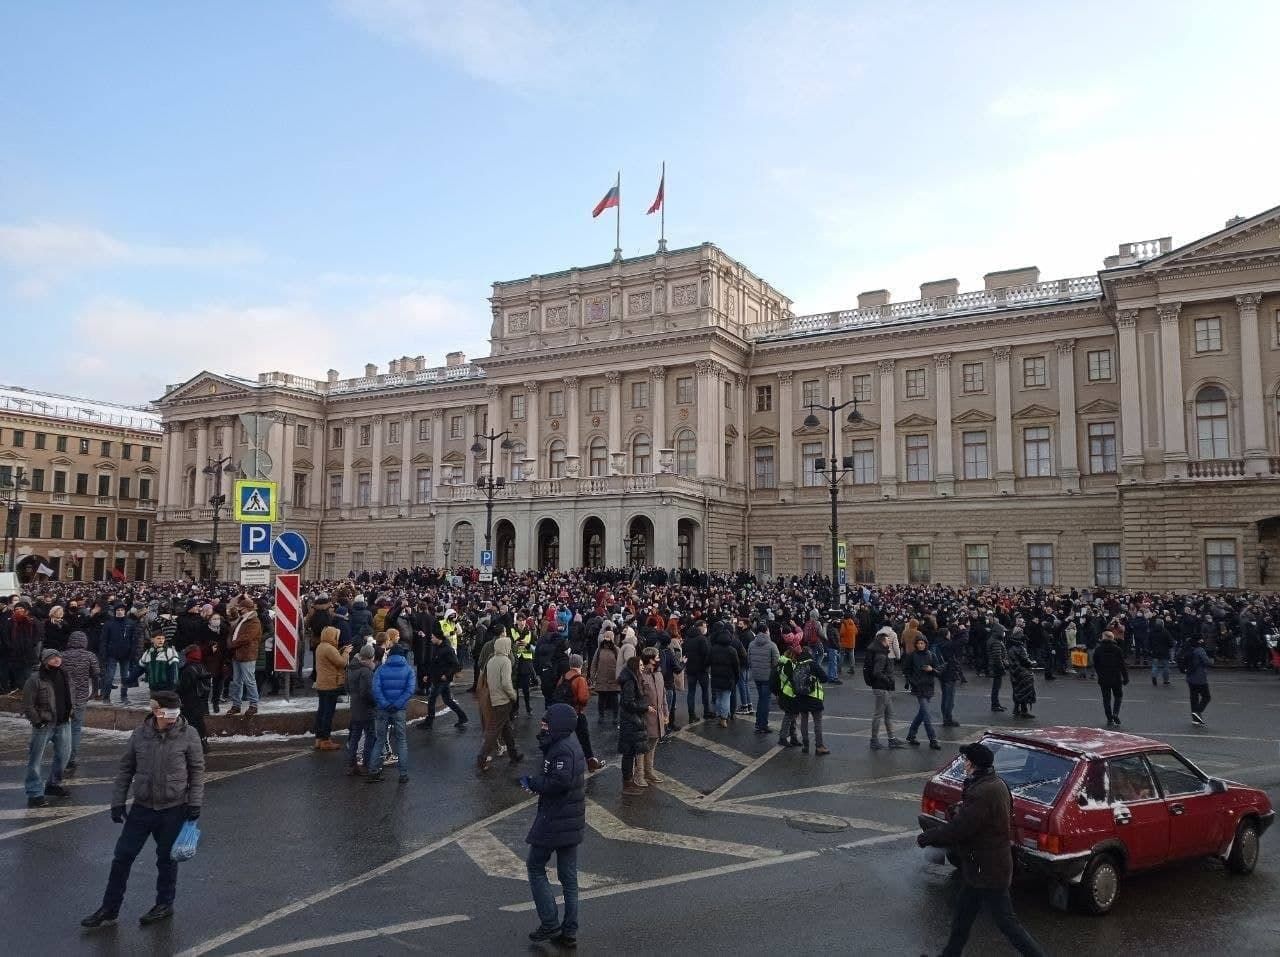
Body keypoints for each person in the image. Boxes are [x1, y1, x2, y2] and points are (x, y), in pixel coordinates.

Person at [81, 691, 206, 929]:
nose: (172, 717)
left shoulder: (188, 735)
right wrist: (117, 802)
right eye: (168, 712)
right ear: (155, 710)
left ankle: (164, 904)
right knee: (122, 857)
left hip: (173, 808)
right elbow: (126, 769)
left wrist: (195, 803)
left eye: (176, 712)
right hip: (142, 808)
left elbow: (198, 771)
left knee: (167, 859)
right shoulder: (140, 735)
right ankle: (110, 907)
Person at [916, 742, 1047, 957]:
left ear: (974, 764)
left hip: (988, 870)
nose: (963, 764)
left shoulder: (984, 791)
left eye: (966, 760)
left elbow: (962, 829)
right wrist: (960, 809)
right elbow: (981, 817)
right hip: (981, 867)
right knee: (963, 915)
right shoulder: (994, 783)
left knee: (1007, 923)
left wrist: (928, 837)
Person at [521, 703, 586, 948]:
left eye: (547, 722)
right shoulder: (567, 742)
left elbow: (559, 783)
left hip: (557, 819)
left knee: (535, 866)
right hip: (570, 819)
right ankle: (568, 931)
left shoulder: (562, 750)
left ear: (559, 724)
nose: (543, 725)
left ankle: (550, 922)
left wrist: (533, 783)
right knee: (568, 877)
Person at [23, 648, 74, 808]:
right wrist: (37, 720)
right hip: (44, 724)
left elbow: (69, 695)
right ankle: (34, 793)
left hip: (64, 722)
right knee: (35, 759)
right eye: (52, 657)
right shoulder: (35, 679)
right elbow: (28, 704)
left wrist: (72, 711)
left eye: (58, 656)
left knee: (64, 756)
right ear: (45, 660)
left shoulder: (64, 674)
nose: (57, 659)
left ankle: (53, 784)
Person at [367, 644, 415, 783]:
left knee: (380, 739)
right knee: (401, 740)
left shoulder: (381, 669)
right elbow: (410, 689)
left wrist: (385, 704)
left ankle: (373, 771)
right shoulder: (409, 670)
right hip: (399, 710)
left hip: (383, 709)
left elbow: (376, 689)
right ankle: (403, 774)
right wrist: (398, 704)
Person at [56, 630, 101, 777]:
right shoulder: (90, 656)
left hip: (63, 698)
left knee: (62, 728)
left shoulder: (61, 656)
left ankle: (62, 756)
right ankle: (71, 758)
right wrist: (94, 692)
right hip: (81, 698)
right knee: (76, 728)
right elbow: (96, 675)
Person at [478, 635, 522, 773]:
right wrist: (513, 695)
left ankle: (513, 754)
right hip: (503, 700)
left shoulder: (491, 660)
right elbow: (506, 683)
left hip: (493, 698)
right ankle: (482, 757)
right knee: (494, 731)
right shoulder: (506, 661)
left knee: (506, 728)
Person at [554, 653, 604, 772]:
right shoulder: (579, 679)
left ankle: (558, 762)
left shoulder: (564, 676)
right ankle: (591, 762)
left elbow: (557, 689)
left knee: (563, 739)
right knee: (584, 739)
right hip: (577, 713)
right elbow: (582, 698)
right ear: (580, 664)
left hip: (564, 712)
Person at [864, 627, 903, 750]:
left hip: (882, 687)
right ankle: (874, 740)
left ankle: (891, 739)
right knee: (879, 714)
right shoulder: (881, 655)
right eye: (887, 640)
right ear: (882, 641)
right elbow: (877, 672)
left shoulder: (879, 651)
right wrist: (888, 679)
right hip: (881, 687)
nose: (889, 642)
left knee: (889, 713)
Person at [618, 655, 652, 796]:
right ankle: (627, 783)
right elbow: (629, 703)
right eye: (640, 665)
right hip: (630, 722)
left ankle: (629, 782)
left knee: (630, 753)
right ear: (634, 667)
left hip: (630, 720)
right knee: (628, 753)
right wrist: (644, 708)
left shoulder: (631, 679)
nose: (642, 667)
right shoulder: (630, 682)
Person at [313, 625, 350, 750]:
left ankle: (319, 738)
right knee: (328, 713)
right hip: (330, 685)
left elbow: (332, 660)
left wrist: (339, 652)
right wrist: (346, 652)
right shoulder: (329, 648)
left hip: (322, 684)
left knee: (322, 711)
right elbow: (342, 663)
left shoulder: (321, 646)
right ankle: (325, 740)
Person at [423, 631, 468, 729]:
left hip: (442, 680)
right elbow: (434, 664)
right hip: (437, 678)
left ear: (439, 638)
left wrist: (447, 675)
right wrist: (428, 676)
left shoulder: (447, 649)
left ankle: (429, 722)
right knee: (447, 700)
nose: (431, 639)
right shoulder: (437, 648)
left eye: (433, 637)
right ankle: (462, 716)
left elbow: (456, 664)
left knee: (432, 698)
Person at [903, 635, 942, 750]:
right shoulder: (912, 656)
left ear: (926, 644)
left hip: (929, 687)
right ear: (916, 644)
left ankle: (911, 735)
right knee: (926, 714)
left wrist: (932, 670)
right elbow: (906, 670)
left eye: (922, 643)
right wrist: (912, 681)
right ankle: (933, 739)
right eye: (918, 643)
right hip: (918, 687)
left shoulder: (931, 655)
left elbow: (939, 671)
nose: (920, 645)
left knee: (922, 713)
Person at [226, 598, 263, 717]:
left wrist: (232, 643)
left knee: (249, 680)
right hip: (238, 654)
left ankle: (253, 704)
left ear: (245, 609)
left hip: (247, 655)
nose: (238, 610)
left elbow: (247, 637)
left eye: (240, 608)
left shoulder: (254, 621)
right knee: (237, 681)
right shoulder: (242, 619)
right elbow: (234, 632)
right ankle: (236, 704)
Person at [345, 644, 377, 774]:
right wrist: (376, 703)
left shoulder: (351, 668)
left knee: (355, 736)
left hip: (355, 707)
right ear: (371, 657)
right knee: (370, 736)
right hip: (366, 709)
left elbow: (346, 687)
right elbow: (367, 692)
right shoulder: (366, 671)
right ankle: (366, 763)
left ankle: (351, 764)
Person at [638, 647, 668, 781]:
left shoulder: (659, 674)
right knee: (642, 747)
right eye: (657, 657)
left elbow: (663, 696)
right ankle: (639, 775)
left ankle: (649, 772)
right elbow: (636, 698)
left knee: (652, 746)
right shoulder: (641, 676)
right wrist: (645, 708)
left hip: (658, 716)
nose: (659, 659)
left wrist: (666, 713)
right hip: (645, 717)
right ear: (650, 660)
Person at [101, 604, 140, 704]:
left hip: (126, 654)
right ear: (115, 611)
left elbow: (134, 639)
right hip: (112, 653)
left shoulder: (130, 623)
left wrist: (132, 652)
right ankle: (106, 696)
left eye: (122, 610)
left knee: (124, 677)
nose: (120, 611)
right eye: (118, 610)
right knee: (109, 676)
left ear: (125, 611)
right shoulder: (109, 623)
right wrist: (104, 653)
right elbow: (104, 639)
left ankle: (124, 696)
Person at [176, 645, 212, 753]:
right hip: (201, 702)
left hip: (189, 702)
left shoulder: (188, 669)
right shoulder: (202, 667)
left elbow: (183, 687)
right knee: (200, 723)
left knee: (190, 724)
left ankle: (193, 746)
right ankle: (204, 743)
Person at [707, 621, 740, 728]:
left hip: (716, 677)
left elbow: (707, 662)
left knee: (719, 697)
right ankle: (724, 717)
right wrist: (736, 677)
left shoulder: (713, 649)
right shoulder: (732, 650)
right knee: (726, 697)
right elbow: (736, 666)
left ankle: (719, 714)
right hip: (728, 677)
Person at [1093, 630, 1129, 727]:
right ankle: (1115, 713)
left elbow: (1095, 664)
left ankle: (1109, 718)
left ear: (1103, 638)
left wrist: (1099, 674)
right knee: (1118, 696)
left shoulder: (1098, 649)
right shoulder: (1117, 649)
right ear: (1112, 638)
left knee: (1106, 699)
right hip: (1116, 677)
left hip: (1103, 678)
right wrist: (1125, 677)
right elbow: (1122, 665)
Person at [748, 623, 778, 735]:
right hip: (767, 676)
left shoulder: (751, 644)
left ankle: (758, 723)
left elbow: (749, 659)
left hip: (756, 675)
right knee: (765, 701)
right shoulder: (771, 645)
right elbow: (776, 662)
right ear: (766, 631)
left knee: (761, 699)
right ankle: (762, 724)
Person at [682, 620, 712, 722]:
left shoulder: (687, 639)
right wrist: (706, 667)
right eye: (704, 626)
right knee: (705, 691)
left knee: (691, 692)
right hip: (702, 670)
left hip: (690, 669)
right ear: (699, 628)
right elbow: (707, 654)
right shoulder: (702, 639)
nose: (705, 628)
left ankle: (691, 715)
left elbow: (684, 654)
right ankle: (706, 712)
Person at [589, 629, 620, 725]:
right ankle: (601, 716)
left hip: (613, 679)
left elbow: (620, 664)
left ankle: (615, 717)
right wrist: (592, 676)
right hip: (602, 678)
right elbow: (594, 663)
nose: (607, 639)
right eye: (606, 637)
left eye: (608, 637)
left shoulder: (616, 650)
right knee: (601, 699)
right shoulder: (599, 650)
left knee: (614, 699)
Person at [138, 628, 180, 694]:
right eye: (158, 638)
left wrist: (173, 687)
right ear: (152, 640)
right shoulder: (147, 653)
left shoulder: (169, 651)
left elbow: (174, 670)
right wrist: (128, 681)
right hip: (153, 688)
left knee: (165, 704)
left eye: (162, 639)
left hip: (167, 689)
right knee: (154, 704)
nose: (161, 641)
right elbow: (139, 669)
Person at [1006, 631, 1037, 720]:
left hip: (1014, 672)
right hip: (1023, 673)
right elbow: (1026, 661)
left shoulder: (1011, 649)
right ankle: (1024, 711)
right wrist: (1033, 663)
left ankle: (1016, 708)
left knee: (1017, 690)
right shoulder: (1020, 648)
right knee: (1025, 691)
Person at [1184, 635, 1213, 725]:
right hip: (1200, 678)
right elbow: (1207, 662)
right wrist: (1212, 660)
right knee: (1206, 696)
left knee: (1194, 698)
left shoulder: (1189, 649)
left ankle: (1195, 719)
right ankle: (1198, 712)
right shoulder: (1200, 650)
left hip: (1190, 677)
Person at [986, 623, 1008, 713]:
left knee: (996, 687)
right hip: (996, 667)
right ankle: (995, 704)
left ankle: (996, 703)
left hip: (994, 666)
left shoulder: (994, 640)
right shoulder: (996, 642)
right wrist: (1002, 667)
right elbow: (997, 656)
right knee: (996, 687)